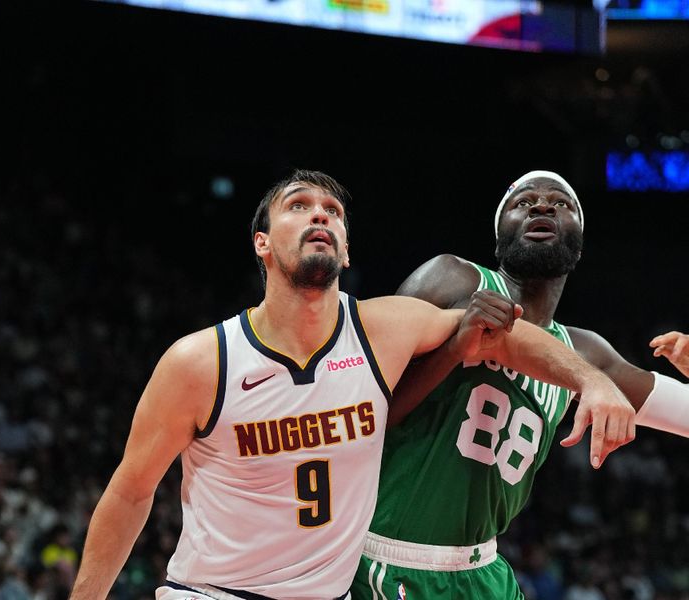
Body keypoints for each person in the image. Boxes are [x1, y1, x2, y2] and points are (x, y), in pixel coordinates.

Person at [69, 170, 633, 600]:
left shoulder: (379, 331)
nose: (320, 215)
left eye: (333, 211)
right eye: (299, 206)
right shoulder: (200, 360)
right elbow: (129, 492)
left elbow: (504, 335)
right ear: (262, 242)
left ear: (344, 246)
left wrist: (593, 380)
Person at [351, 170, 689, 600]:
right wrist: (453, 350)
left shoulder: (586, 351)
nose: (543, 206)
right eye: (523, 202)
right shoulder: (452, 279)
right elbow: (363, 413)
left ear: (579, 247)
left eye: (562, 204)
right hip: (391, 557)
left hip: (484, 569)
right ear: (499, 238)